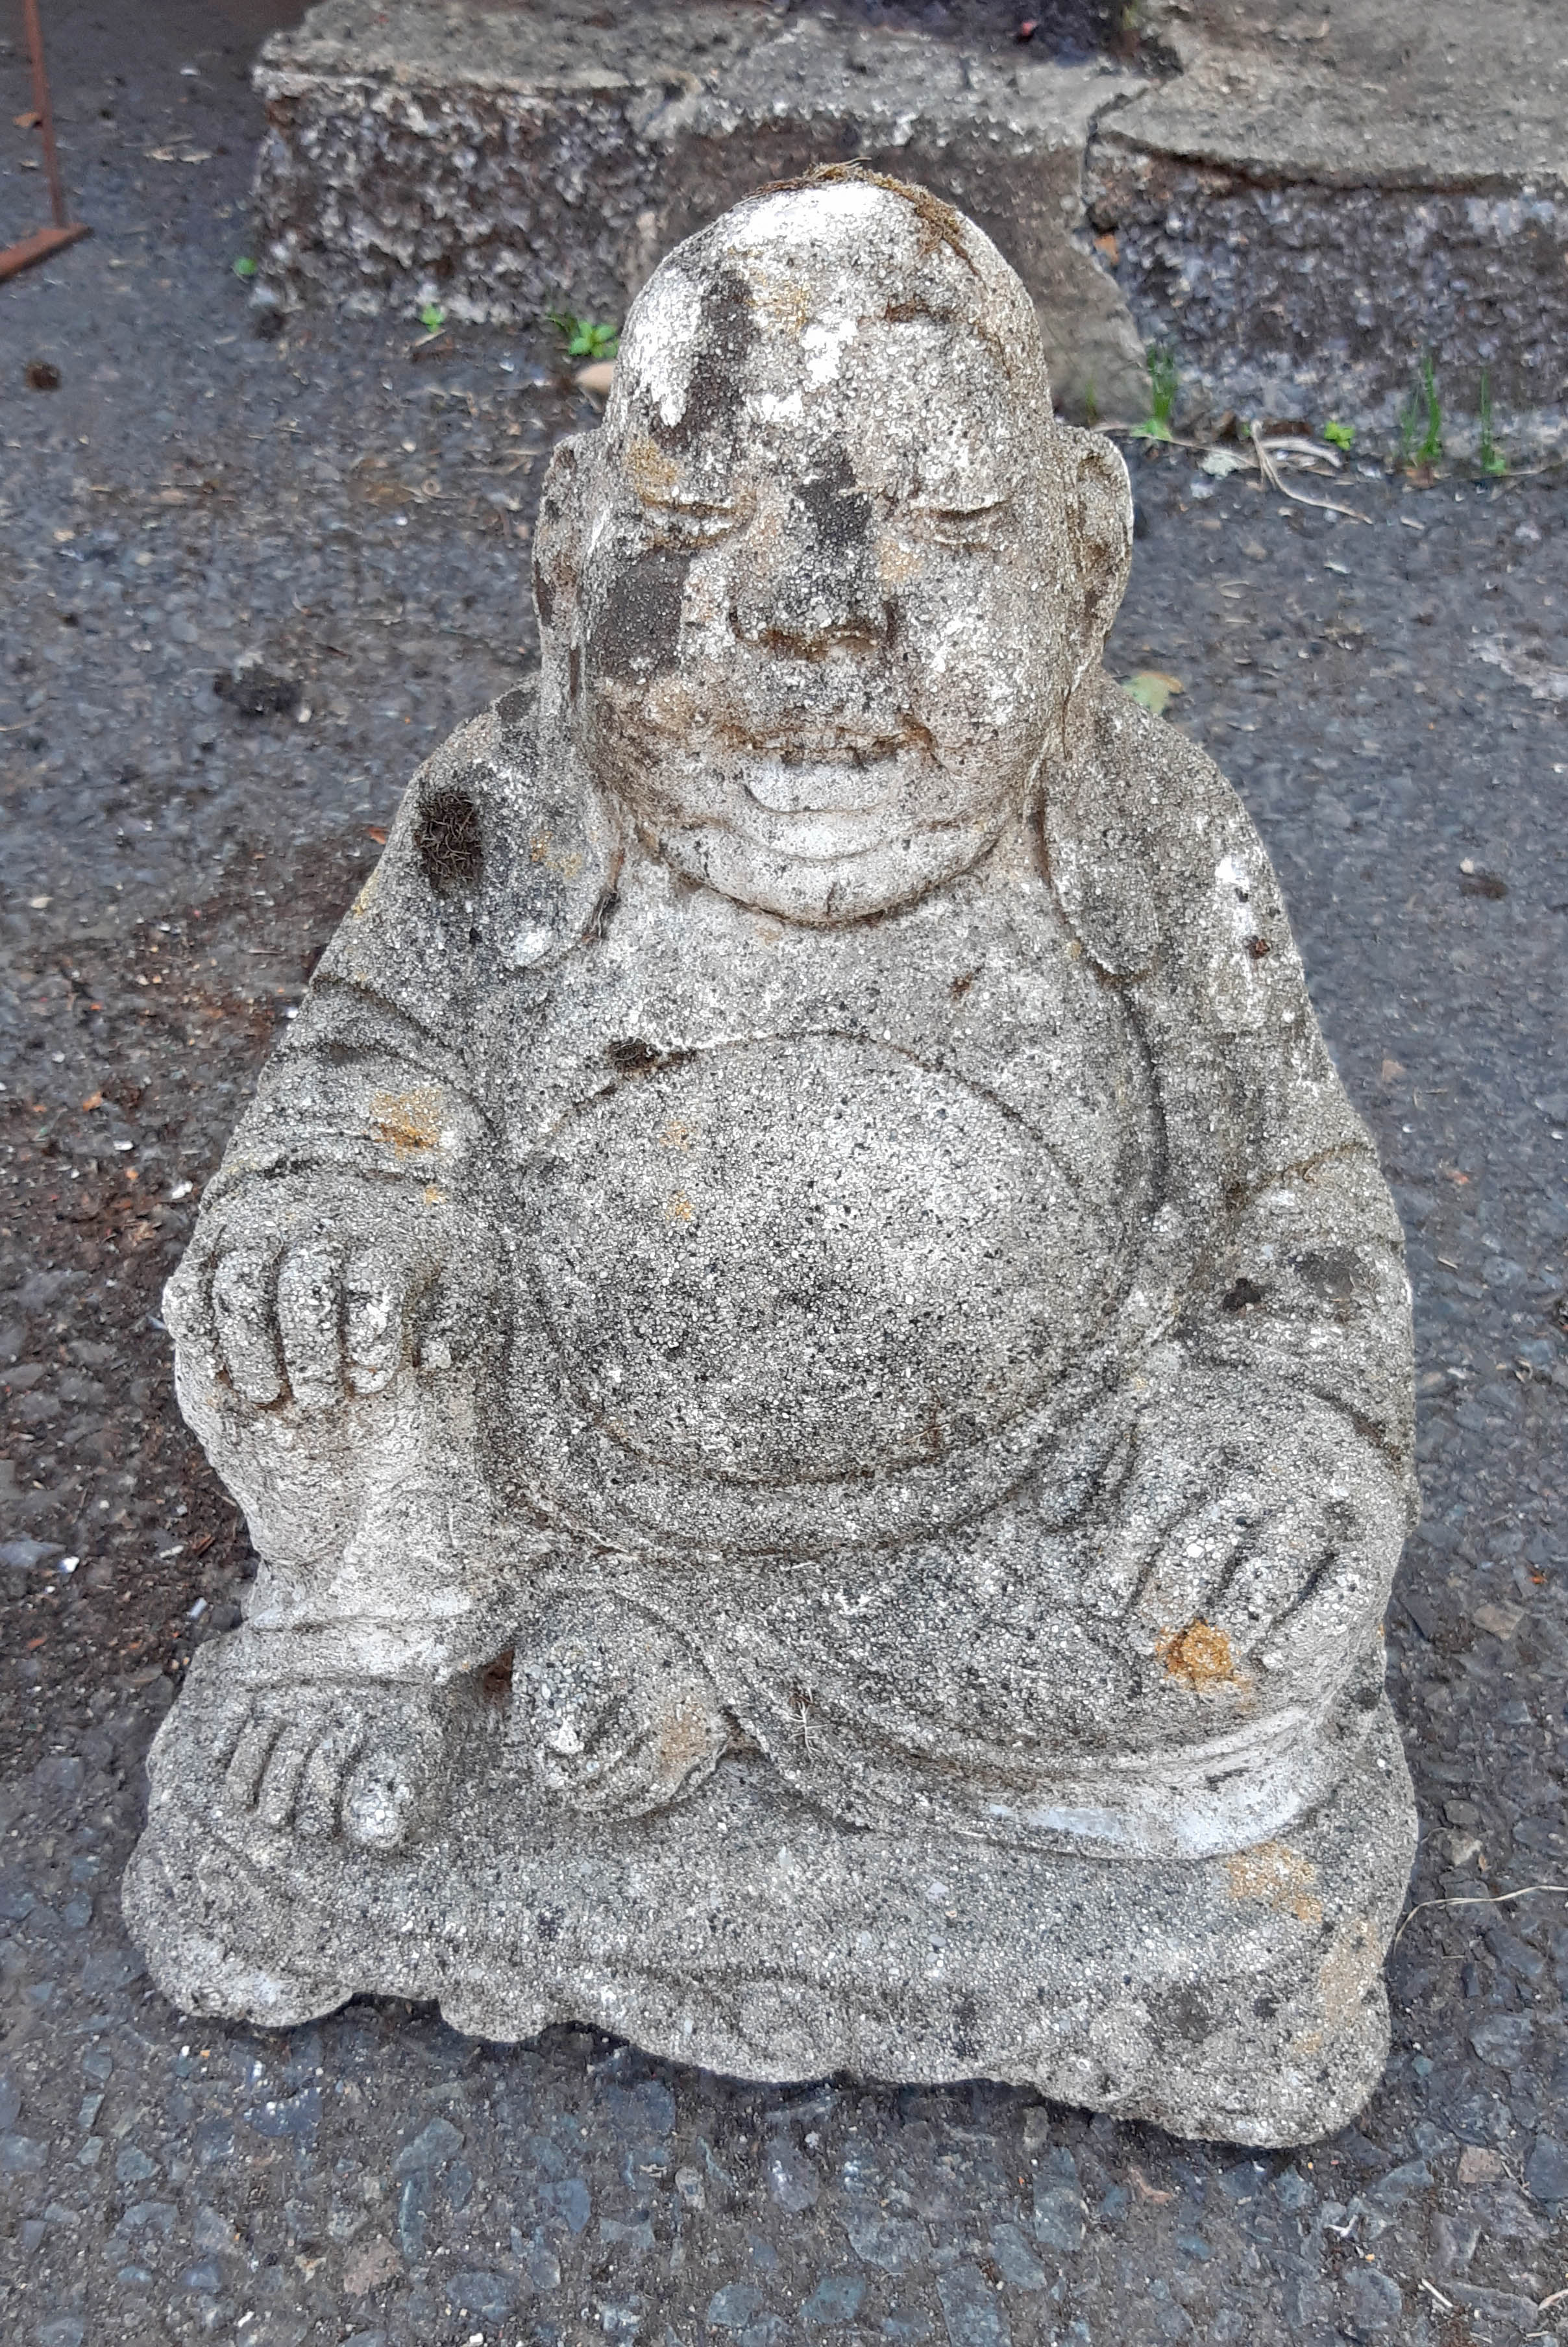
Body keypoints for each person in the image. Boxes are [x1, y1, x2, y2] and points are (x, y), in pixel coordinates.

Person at [163, 168, 1414, 1872]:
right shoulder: (506, 816)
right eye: (690, 530)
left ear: (1089, 560)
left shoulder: (1151, 833)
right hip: (545, 1470)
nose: (819, 607)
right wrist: (329, 1229)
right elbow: (355, 1093)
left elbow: (1298, 1202)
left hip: (1018, 1505)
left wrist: (1286, 1422)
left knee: (1248, 1655)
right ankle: (405, 1629)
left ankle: (683, 1669)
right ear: (563, 560)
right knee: (305, 1334)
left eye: (953, 516)